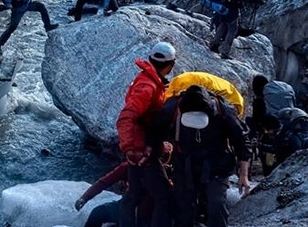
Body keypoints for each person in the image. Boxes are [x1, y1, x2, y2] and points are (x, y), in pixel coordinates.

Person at [152, 85, 252, 227]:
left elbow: (242, 142)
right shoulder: (172, 108)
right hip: (184, 164)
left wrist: (244, 176)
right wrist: (160, 147)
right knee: (183, 208)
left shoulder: (223, 112)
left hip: (217, 164)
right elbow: (154, 131)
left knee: (216, 205)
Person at [115, 42, 176, 227]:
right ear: (170, 65)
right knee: (163, 196)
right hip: (142, 149)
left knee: (133, 194)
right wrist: (131, 149)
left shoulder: (146, 79)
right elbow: (126, 117)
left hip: (140, 145)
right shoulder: (148, 87)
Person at [73, 156, 161, 227]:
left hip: (147, 215)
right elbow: (104, 182)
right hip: (125, 206)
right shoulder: (127, 167)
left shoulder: (158, 171)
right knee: (98, 212)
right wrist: (85, 197)